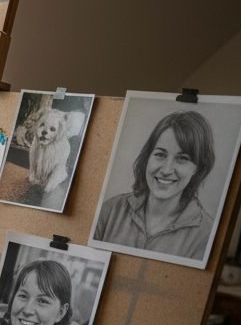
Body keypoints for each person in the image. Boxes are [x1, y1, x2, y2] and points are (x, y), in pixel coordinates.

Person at [92, 110, 217, 260]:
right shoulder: (110, 210)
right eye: (160, 154)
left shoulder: (207, 235)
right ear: (147, 157)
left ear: (198, 168)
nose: (166, 170)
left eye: (182, 158)